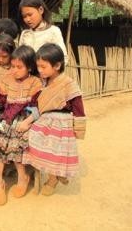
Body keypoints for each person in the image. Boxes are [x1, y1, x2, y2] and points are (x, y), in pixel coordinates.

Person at [22, 43, 86, 196]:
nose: (40, 70)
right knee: (30, 139)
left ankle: (53, 179)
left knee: (55, 151)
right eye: (38, 67)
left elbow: (78, 108)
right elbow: (38, 105)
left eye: (43, 67)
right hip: (44, 120)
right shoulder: (42, 83)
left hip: (61, 124)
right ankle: (57, 173)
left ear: (57, 65)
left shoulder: (69, 84)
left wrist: (78, 129)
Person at [0, 45, 42, 205]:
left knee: (17, 143)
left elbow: (39, 107)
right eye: (12, 66)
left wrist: (27, 122)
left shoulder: (35, 83)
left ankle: (23, 177)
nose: (14, 70)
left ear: (30, 67)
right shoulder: (6, 80)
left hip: (25, 120)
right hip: (7, 118)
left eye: (19, 67)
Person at [18, 0, 68, 65]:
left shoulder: (53, 31)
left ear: (41, 10)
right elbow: (20, 58)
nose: (27, 19)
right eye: (24, 16)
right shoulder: (25, 33)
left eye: (30, 15)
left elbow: (63, 59)